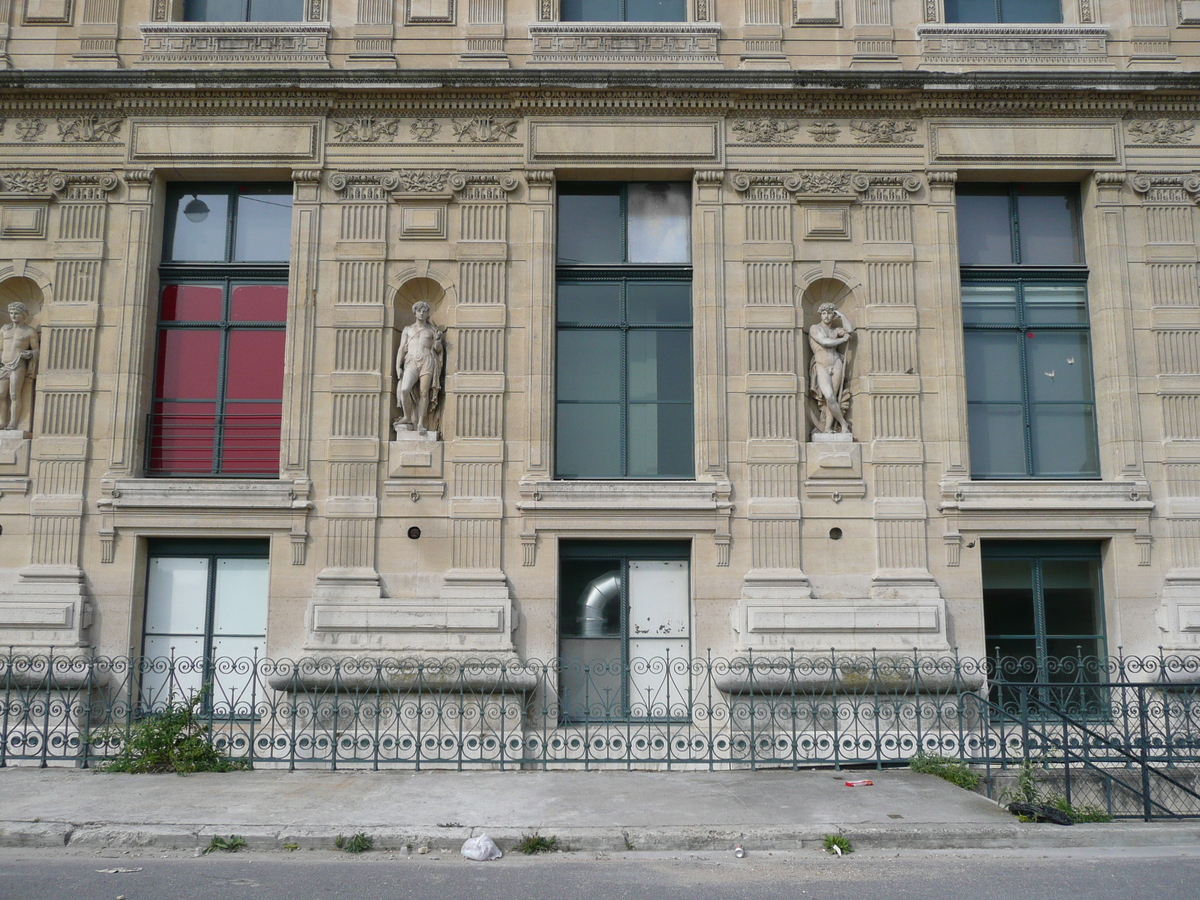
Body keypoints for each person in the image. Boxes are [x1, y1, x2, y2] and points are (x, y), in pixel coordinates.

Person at [395, 301, 444, 436]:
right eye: (419, 311)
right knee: (405, 389)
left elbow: (438, 350)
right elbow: (401, 349)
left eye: (424, 311)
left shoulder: (432, 330)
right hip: (411, 361)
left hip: (427, 360)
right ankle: (407, 416)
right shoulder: (407, 329)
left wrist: (438, 340)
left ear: (427, 313)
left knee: (424, 393)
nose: (422, 313)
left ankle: (421, 423)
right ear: (415, 312)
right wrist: (398, 366)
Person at [808, 302, 854, 434]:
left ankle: (828, 427)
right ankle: (843, 423)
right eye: (823, 313)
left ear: (833, 316)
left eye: (829, 313)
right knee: (829, 396)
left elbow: (850, 330)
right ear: (820, 315)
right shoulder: (814, 328)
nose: (826, 316)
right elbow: (825, 342)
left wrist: (841, 315)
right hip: (821, 365)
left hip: (836, 364)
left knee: (833, 396)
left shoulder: (835, 331)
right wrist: (843, 340)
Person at [0, 302, 38, 432]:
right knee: (1, 394)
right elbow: (1, 348)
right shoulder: (4, 329)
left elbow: (37, 351)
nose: (13, 316)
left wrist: (29, 354)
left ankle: (13, 422)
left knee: (14, 394)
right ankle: (2, 421)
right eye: (11, 313)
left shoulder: (29, 331)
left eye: (16, 313)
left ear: (24, 315)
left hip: (18, 365)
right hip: (4, 365)